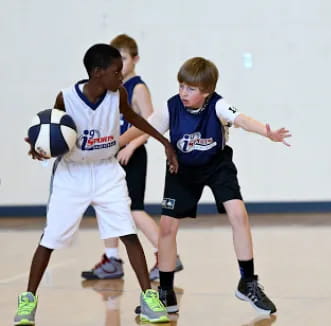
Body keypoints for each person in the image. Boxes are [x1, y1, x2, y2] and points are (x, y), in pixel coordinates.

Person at [14, 43, 178, 325]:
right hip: (72, 174)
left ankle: (148, 298)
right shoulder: (66, 97)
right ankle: (28, 300)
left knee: (127, 231)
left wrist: (164, 142)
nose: (121, 74)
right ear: (97, 73)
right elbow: (51, 131)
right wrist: (39, 148)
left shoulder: (119, 94)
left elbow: (135, 117)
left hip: (106, 172)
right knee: (50, 238)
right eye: (116, 71)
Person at [122, 57, 290, 314]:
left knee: (238, 214)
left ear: (206, 92)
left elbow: (242, 119)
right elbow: (142, 127)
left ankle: (247, 282)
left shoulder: (218, 105)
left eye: (191, 89)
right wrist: (112, 144)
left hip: (216, 166)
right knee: (167, 227)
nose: (183, 93)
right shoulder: (171, 107)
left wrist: (266, 132)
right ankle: (166, 293)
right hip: (182, 168)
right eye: (181, 86)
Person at [81, 34, 183, 282]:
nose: (119, 64)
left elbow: (151, 124)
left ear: (135, 59)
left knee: (134, 209)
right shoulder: (111, 88)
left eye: (124, 58)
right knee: (106, 205)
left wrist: (131, 146)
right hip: (111, 155)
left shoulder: (137, 86)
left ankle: (167, 255)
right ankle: (112, 259)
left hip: (132, 156)